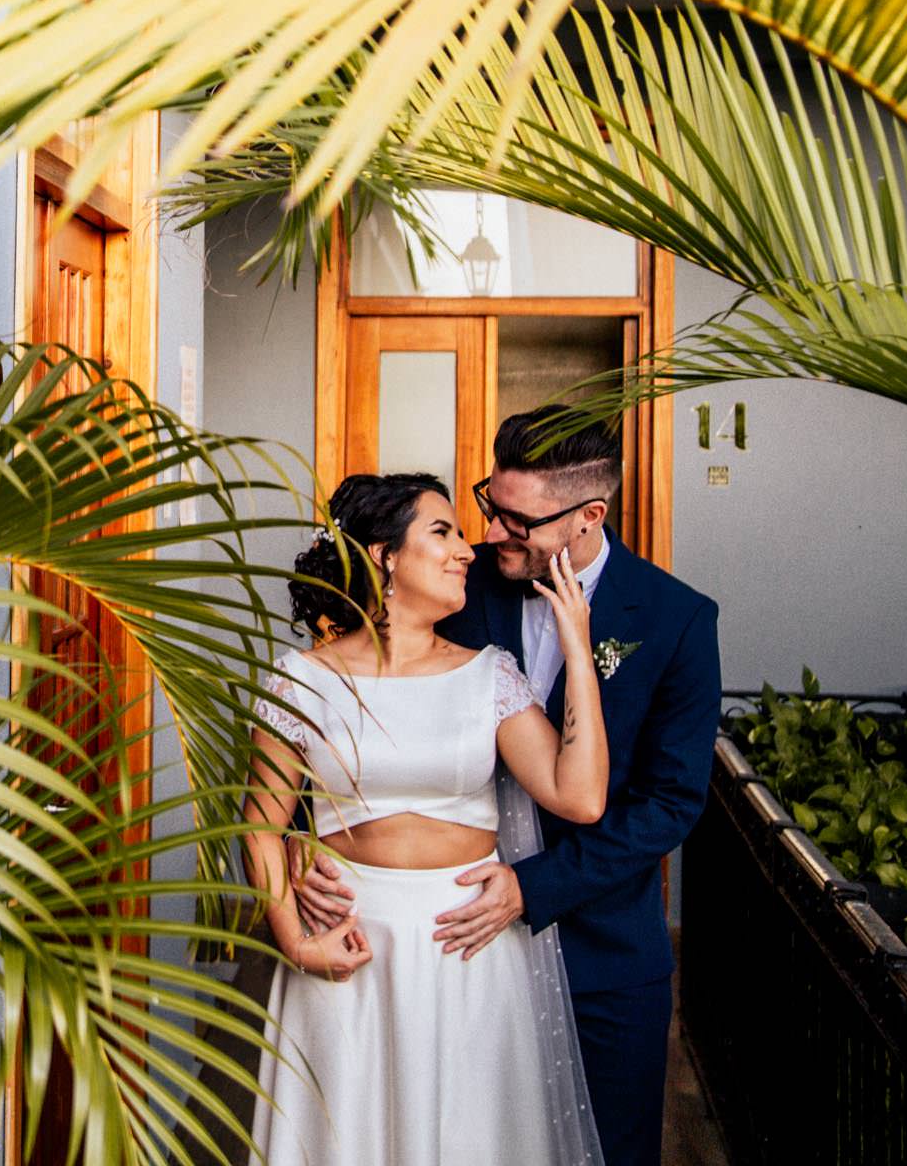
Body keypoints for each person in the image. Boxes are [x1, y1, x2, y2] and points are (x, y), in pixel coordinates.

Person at [294, 408, 722, 1166]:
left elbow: (669, 803)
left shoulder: (676, 619)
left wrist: (534, 886)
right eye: (490, 506)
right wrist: (305, 849)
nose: (489, 536)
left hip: (600, 954)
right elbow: (344, 728)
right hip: (438, 957)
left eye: (517, 522)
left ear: (589, 517)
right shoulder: (453, 586)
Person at [243, 471, 610, 1166]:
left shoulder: (489, 676)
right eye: (443, 532)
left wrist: (577, 645)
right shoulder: (301, 679)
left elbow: (580, 794)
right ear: (384, 556)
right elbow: (260, 826)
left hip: (465, 948)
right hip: (347, 943)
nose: (466, 551)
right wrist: (296, 941)